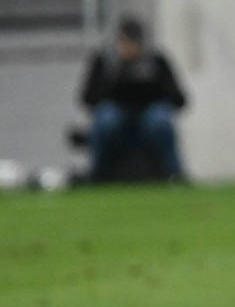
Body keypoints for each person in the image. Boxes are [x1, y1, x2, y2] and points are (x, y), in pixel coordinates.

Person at [78, 16, 188, 183]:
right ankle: (97, 174)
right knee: (107, 118)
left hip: (149, 119)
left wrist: (153, 89)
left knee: (160, 119)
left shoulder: (156, 62)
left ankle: (174, 173)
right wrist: (113, 80)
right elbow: (88, 98)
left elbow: (179, 99)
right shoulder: (104, 63)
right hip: (116, 118)